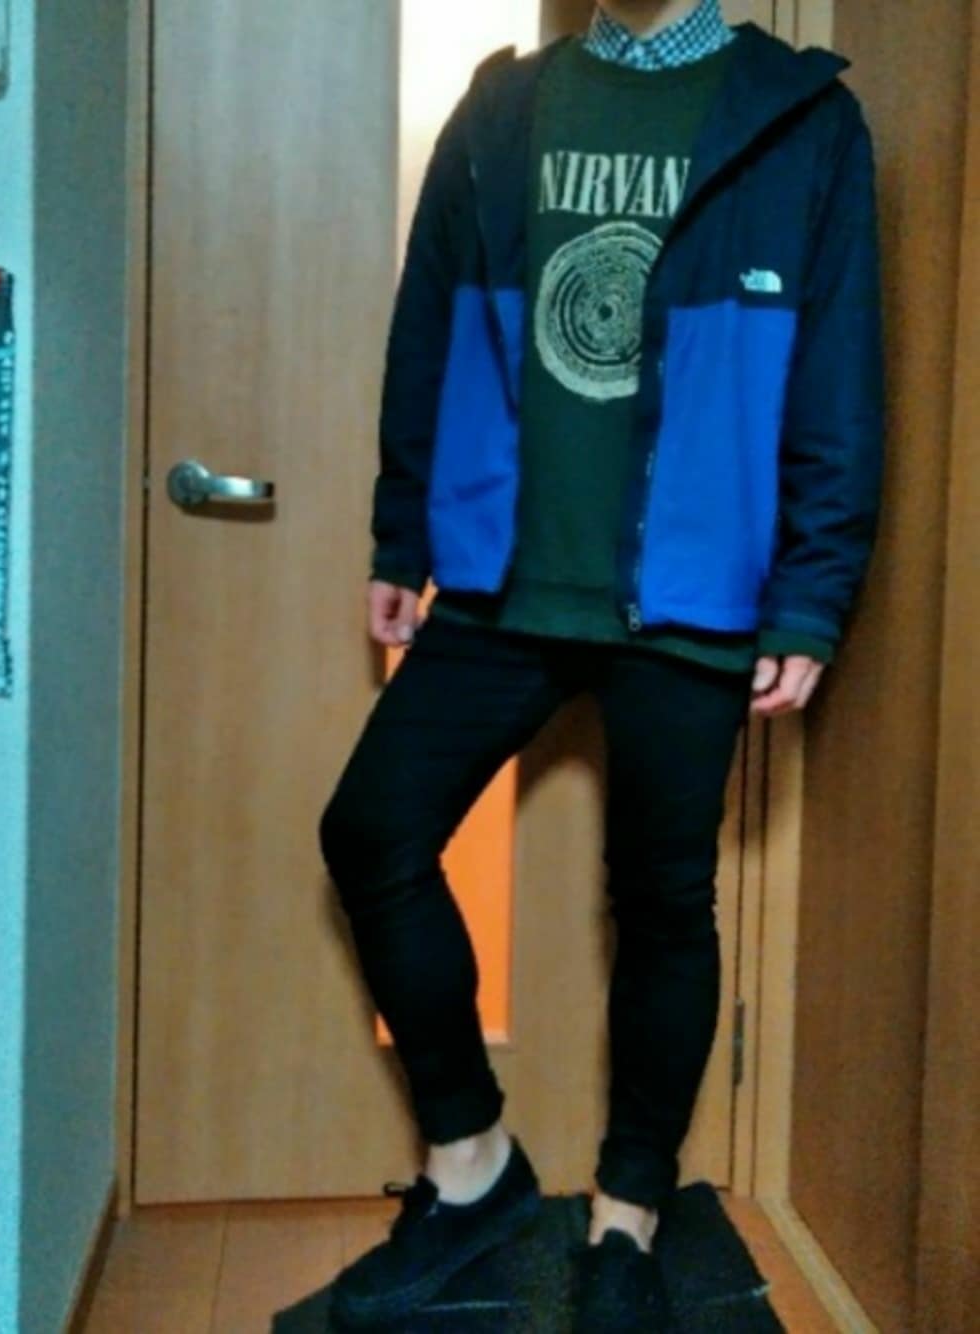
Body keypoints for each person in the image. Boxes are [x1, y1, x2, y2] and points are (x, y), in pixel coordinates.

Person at [318, 1, 884, 1328]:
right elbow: (428, 328)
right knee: (372, 830)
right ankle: (472, 1166)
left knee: (665, 903)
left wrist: (811, 595)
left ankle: (628, 1216)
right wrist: (403, 527)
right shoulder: (503, 107)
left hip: (694, 588)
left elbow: (838, 371)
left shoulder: (801, 117)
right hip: (502, 577)